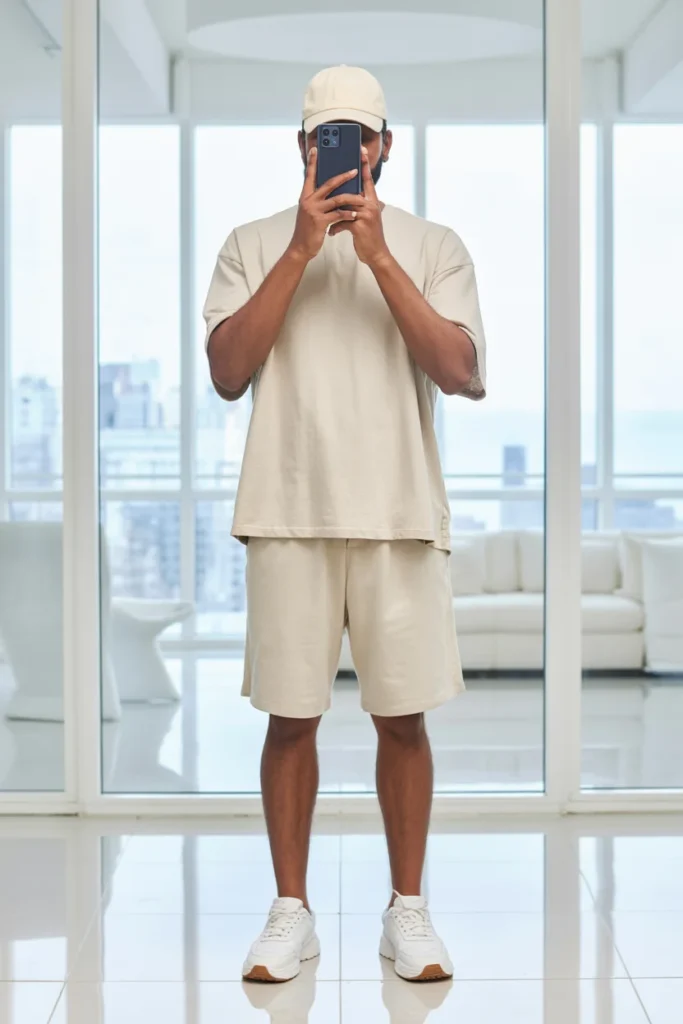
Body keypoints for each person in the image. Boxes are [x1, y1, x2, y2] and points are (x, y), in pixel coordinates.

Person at [204, 65, 486, 984]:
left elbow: (460, 371)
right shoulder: (252, 243)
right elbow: (227, 371)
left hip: (398, 515)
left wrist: (376, 258)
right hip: (288, 513)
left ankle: (408, 911)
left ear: (383, 146)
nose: (345, 151)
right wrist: (298, 250)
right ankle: (291, 912)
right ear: (302, 148)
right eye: (327, 136)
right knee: (291, 721)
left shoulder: (431, 244)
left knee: (401, 721)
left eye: (358, 136)